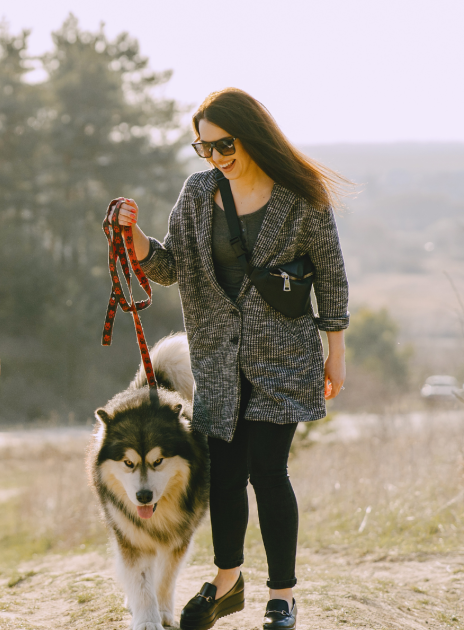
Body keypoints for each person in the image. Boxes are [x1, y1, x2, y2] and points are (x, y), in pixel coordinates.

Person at [114, 88, 349, 630]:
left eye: (223, 145)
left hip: (284, 361)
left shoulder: (301, 198)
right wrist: (136, 239)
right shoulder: (198, 194)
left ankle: (283, 595)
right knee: (223, 476)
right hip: (217, 362)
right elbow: (170, 265)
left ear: (250, 135)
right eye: (204, 149)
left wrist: (335, 355)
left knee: (268, 473)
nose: (215, 158)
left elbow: (331, 277)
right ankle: (227, 580)